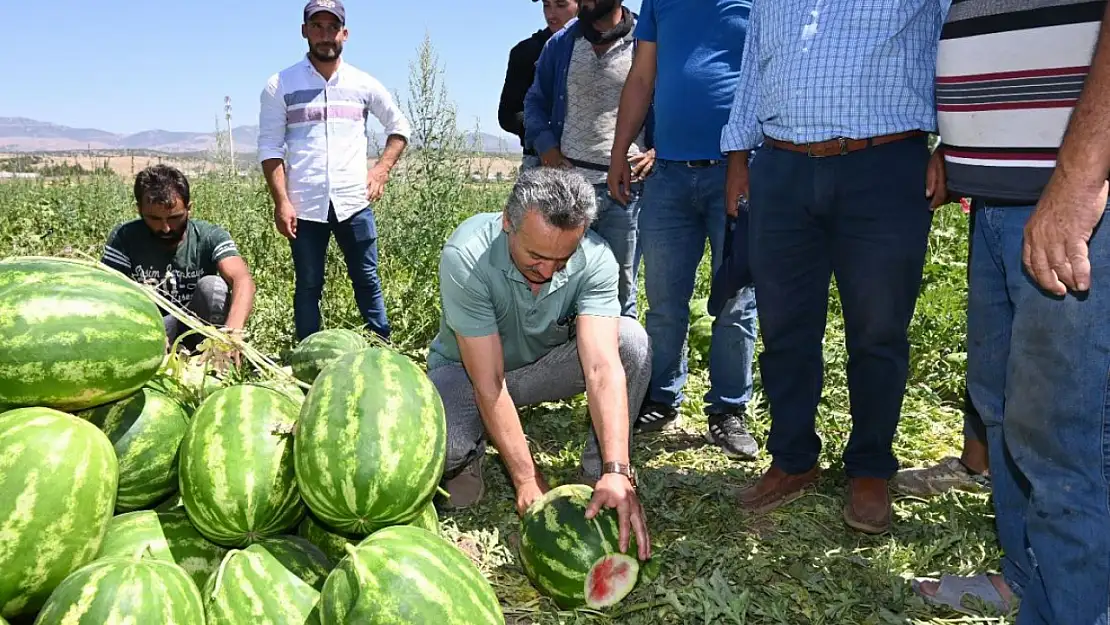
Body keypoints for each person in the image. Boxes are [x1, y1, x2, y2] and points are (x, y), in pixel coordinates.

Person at [910, 1, 1110, 620]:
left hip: (1068, 203)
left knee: (1063, 432)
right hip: (999, 198)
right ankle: (1026, 578)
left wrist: (1079, 183)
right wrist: (961, 142)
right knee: (1002, 405)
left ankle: (1076, 609)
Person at [720, 1, 949, 534]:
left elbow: (950, 47)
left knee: (878, 329)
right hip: (780, 168)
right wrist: (738, 158)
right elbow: (754, 66)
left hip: (884, 165)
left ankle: (870, 467)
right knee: (784, 327)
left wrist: (952, 143)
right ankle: (793, 457)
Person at [427, 167, 651, 559]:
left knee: (630, 342)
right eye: (535, 257)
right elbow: (489, 382)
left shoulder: (596, 258)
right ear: (507, 222)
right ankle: (473, 449)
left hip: (540, 369)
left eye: (561, 260)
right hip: (468, 372)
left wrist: (618, 468)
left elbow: (601, 367)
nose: (546, 272)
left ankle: (598, 475)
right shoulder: (467, 255)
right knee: (445, 450)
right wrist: (527, 478)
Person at [606, 0, 761, 460]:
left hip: (737, 169)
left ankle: (728, 409)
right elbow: (641, 77)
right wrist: (620, 151)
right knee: (664, 299)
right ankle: (661, 397)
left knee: (736, 299)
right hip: (668, 175)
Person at [257, 0, 411, 343]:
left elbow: (399, 127)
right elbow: (270, 147)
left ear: (345, 33)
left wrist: (381, 170)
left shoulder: (363, 84)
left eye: (332, 27)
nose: (325, 35)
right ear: (304, 31)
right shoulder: (280, 84)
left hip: (353, 202)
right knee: (309, 284)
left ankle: (382, 349)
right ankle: (308, 360)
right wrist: (281, 201)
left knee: (367, 279)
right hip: (304, 205)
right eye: (317, 27)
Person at [524, 0, 654, 318]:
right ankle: (564, 365)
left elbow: (670, 99)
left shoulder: (646, 40)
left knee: (620, 292)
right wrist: (548, 150)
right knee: (559, 288)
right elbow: (534, 101)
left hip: (626, 190)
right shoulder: (562, 42)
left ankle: (618, 364)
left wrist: (656, 149)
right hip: (568, 191)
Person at [100, 164, 255, 353]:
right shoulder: (124, 237)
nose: (165, 228)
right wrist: (144, 332)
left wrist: (233, 333)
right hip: (146, 328)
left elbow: (242, 279)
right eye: (154, 219)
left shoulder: (209, 236)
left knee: (213, 286)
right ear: (139, 210)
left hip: (195, 327)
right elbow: (108, 293)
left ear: (189, 209)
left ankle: (213, 356)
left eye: (174, 218)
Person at [498, 0, 579, 170]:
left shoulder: (599, 47)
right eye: (546, 5)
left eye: (561, 5)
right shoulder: (526, 51)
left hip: (594, 161)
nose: (551, 14)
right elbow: (508, 115)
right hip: (539, 160)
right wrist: (544, 140)